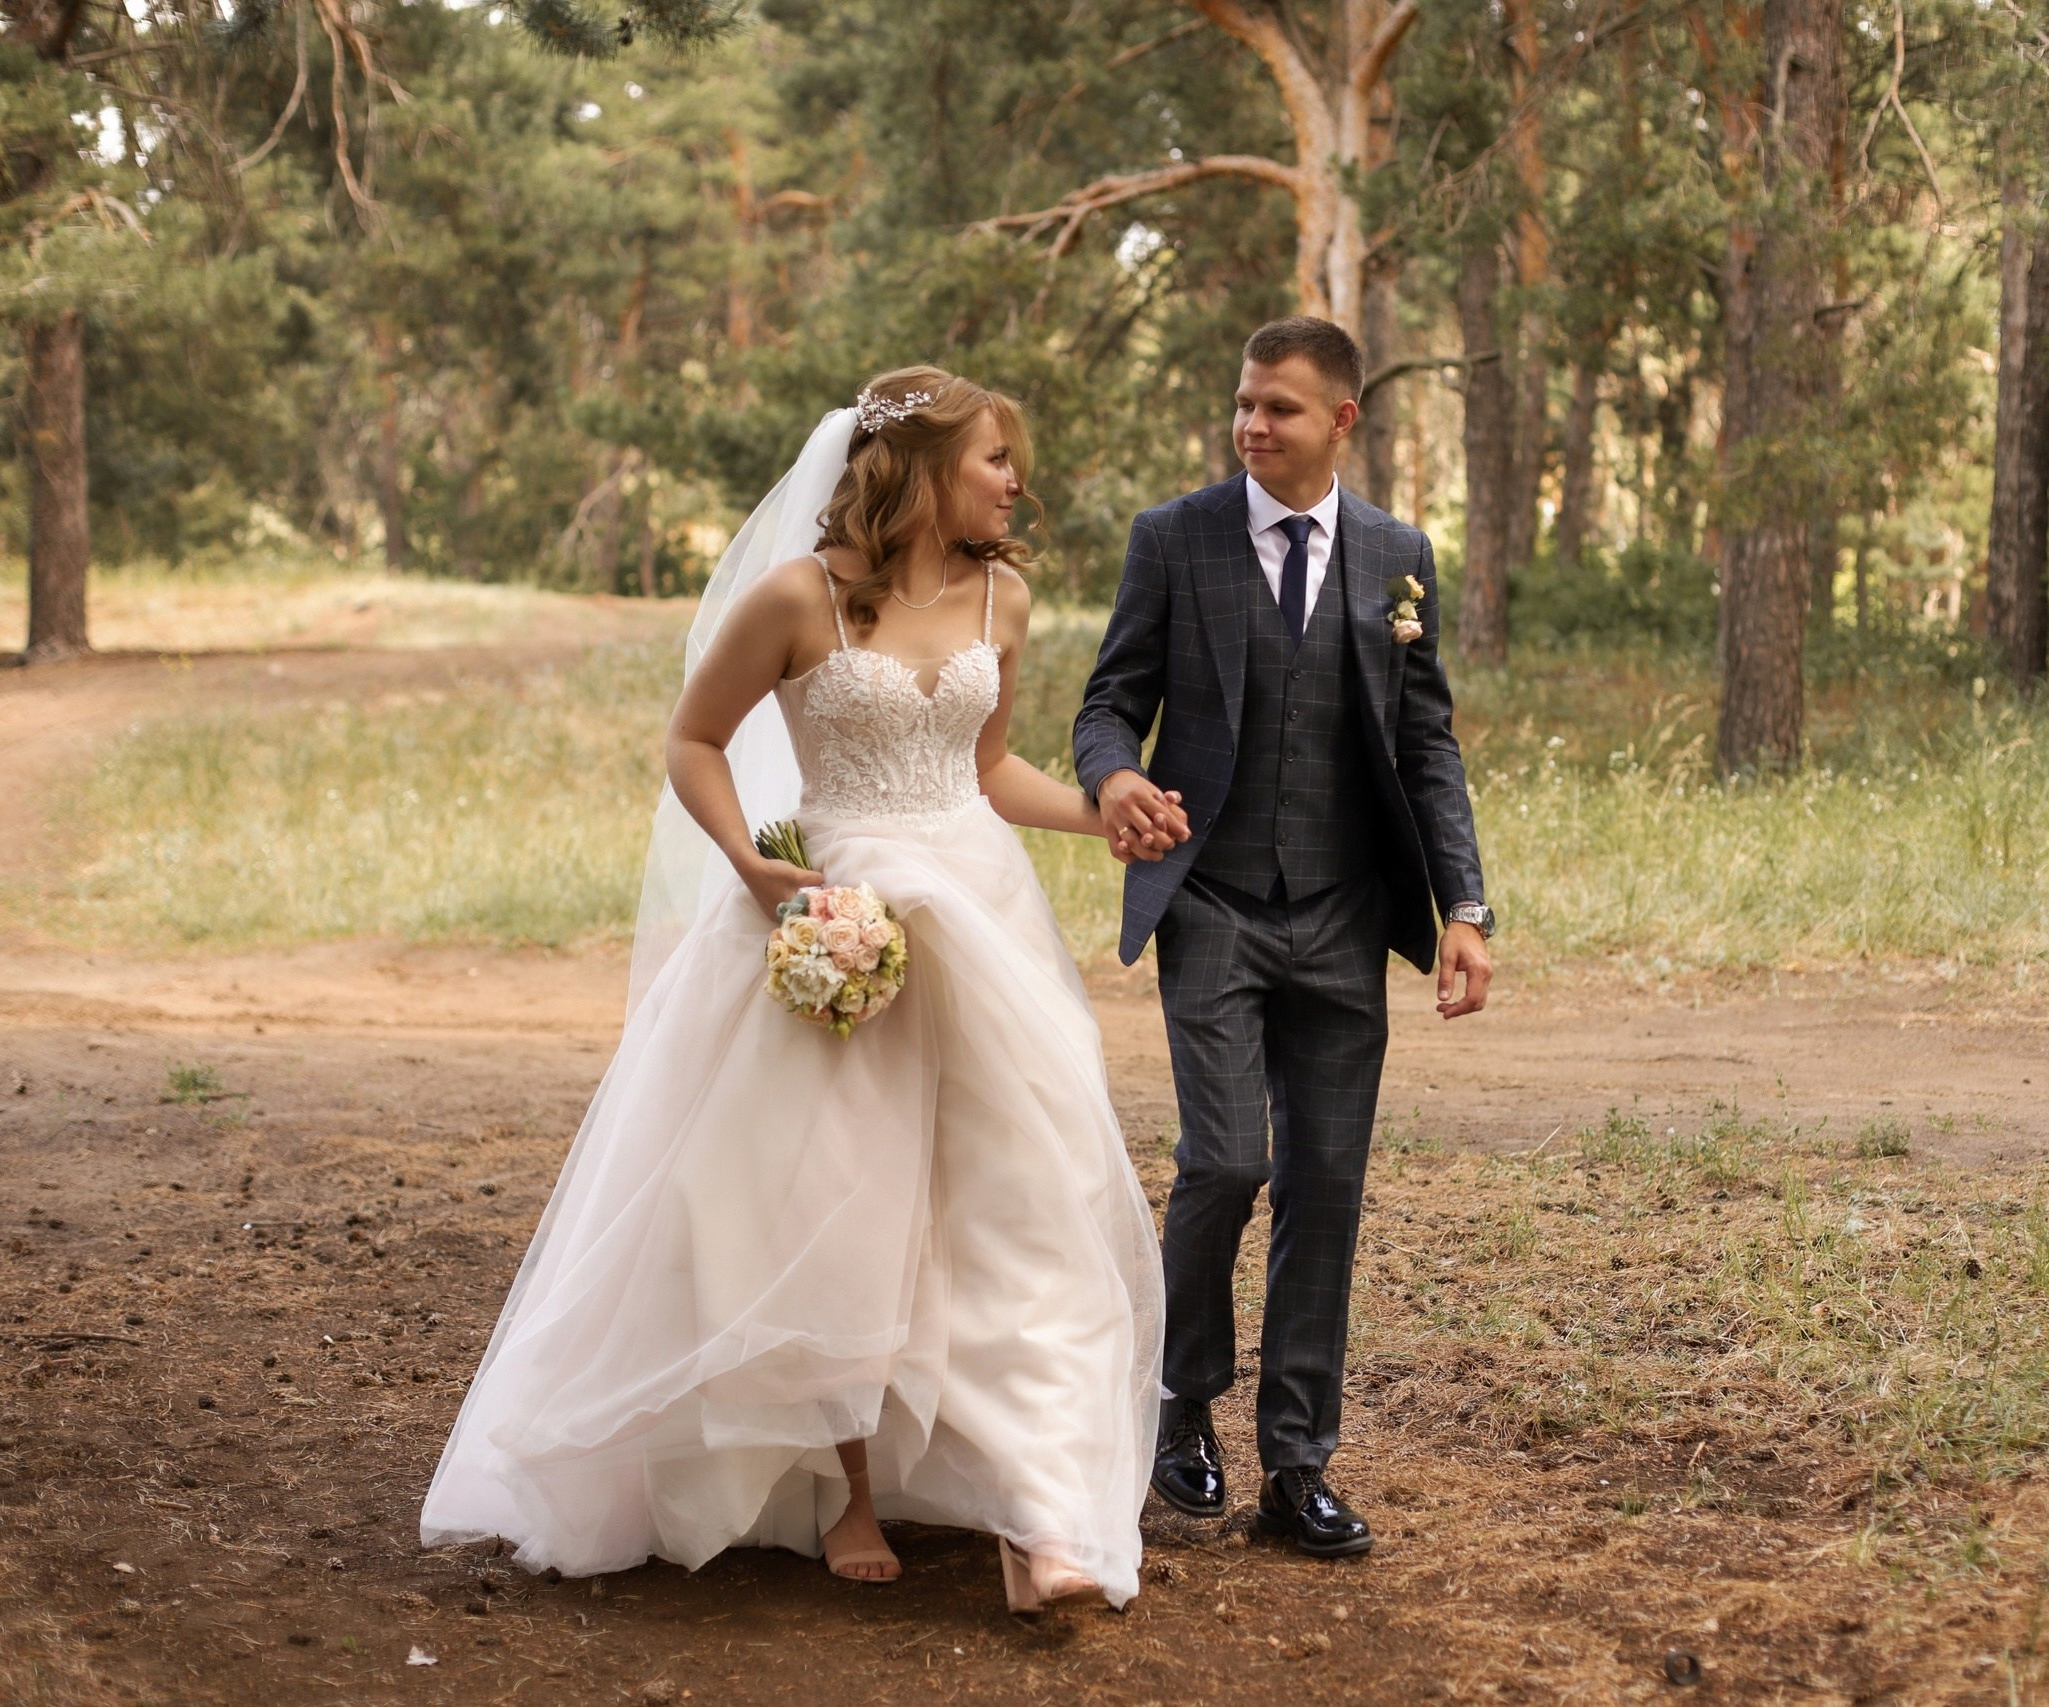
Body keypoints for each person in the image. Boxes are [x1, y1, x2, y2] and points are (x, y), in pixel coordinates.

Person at [422, 369, 1176, 1614]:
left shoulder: (1007, 595)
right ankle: (848, 1490)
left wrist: (1104, 812)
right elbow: (693, 738)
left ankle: (1042, 1514)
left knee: (1021, 1201)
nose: (1014, 482)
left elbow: (987, 772)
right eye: (994, 458)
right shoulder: (799, 596)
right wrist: (751, 863)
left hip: (979, 922)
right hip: (838, 914)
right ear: (924, 468)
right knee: (833, 1203)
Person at [1074, 317, 1493, 1559]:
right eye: (1244, 403)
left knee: (1327, 1185)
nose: (1254, 425)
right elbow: (1110, 701)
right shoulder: (1174, 538)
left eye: (1281, 410)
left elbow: (1427, 747)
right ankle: (1180, 1408)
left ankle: (1298, 1465)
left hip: (1344, 914)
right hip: (1209, 903)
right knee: (1226, 1163)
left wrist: (1464, 909)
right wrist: (1109, 778)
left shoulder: (1396, 555)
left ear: (1342, 422)